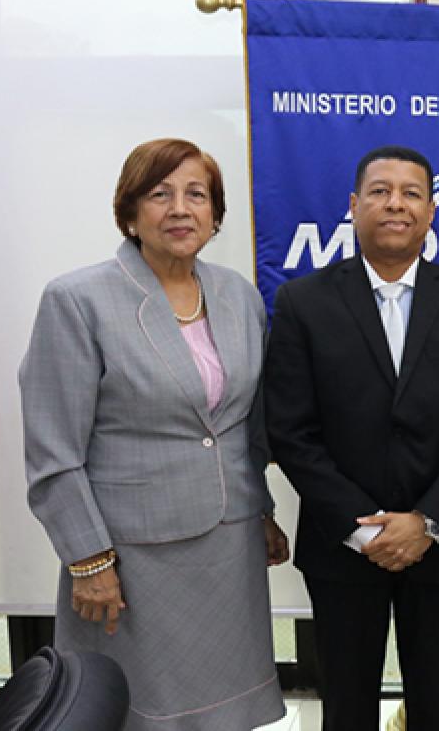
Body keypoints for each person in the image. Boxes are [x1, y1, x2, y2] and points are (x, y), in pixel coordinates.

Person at [19, 138, 289, 730]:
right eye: (159, 194)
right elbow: (53, 451)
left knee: (226, 710)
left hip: (229, 548)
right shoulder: (77, 300)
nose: (179, 208)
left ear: (214, 215)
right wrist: (88, 560)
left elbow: (243, 425)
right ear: (130, 212)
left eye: (196, 195)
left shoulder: (238, 296)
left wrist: (262, 511)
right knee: (138, 712)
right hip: (130, 558)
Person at [264, 145, 439, 731]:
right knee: (345, 706)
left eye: (411, 193)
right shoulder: (303, 302)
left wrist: (426, 522)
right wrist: (362, 526)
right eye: (379, 191)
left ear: (430, 212)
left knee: (436, 704)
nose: (395, 204)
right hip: (342, 547)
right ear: (354, 207)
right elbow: (291, 430)